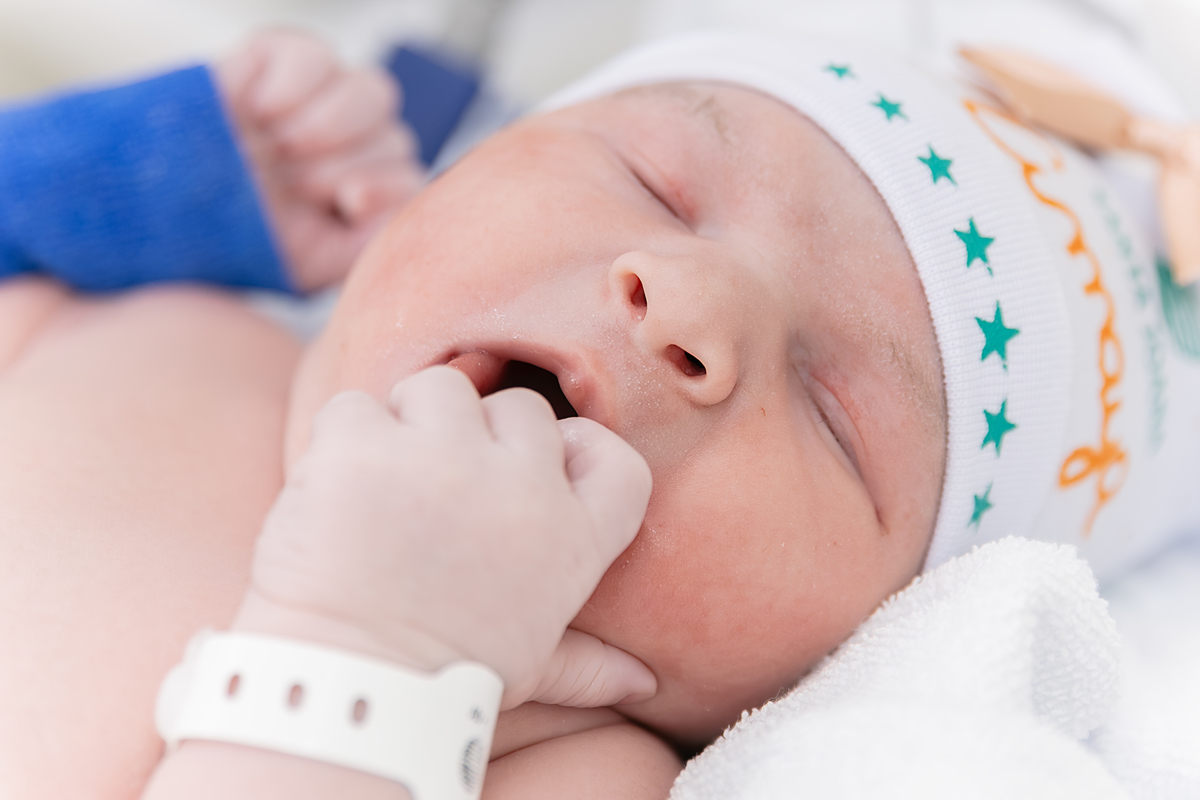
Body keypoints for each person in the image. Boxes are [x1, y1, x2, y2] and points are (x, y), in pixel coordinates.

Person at [4, 5, 1199, 799]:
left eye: (839, 415)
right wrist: (98, 180)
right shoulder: (168, 311)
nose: (688, 301)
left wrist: (380, 652)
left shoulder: (560, 760)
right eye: (657, 185)